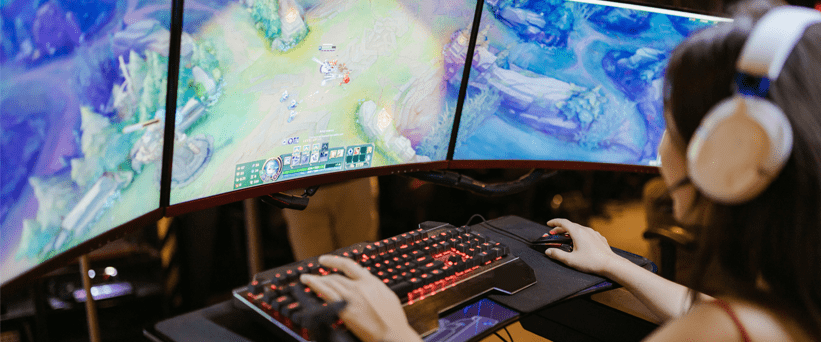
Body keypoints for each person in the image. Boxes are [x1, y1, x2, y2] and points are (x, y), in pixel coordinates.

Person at [299, 2, 821, 341]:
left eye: (671, 125)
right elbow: (711, 313)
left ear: (728, 157)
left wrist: (396, 336)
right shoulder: (787, 304)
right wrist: (616, 266)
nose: (659, 145)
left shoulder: (721, 331)